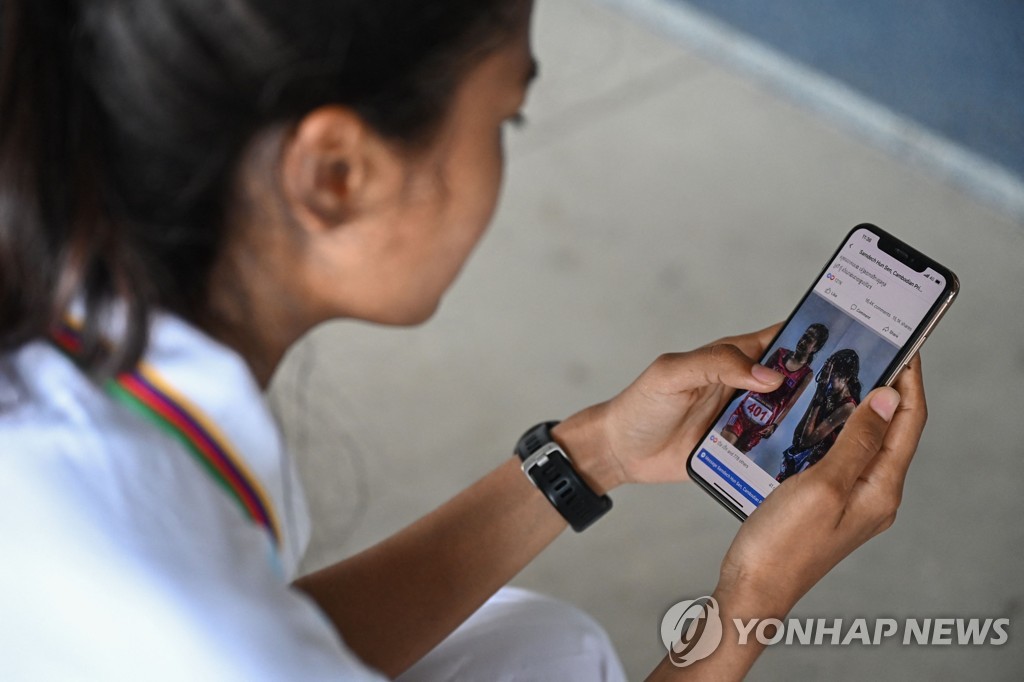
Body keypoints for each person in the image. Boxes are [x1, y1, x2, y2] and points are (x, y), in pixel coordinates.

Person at [0, 1, 927, 680]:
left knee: (541, 648)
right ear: (336, 174)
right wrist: (749, 603)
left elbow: (281, 630)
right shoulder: (209, 643)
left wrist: (592, 452)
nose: (503, 157)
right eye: (502, 118)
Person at [721, 323, 829, 453]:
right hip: (744, 411)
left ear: (815, 348)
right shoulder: (780, 353)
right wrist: (731, 396)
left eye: (809, 340)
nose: (803, 341)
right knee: (723, 447)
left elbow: (790, 404)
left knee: (736, 458)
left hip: (763, 424)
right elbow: (754, 379)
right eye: (804, 336)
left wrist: (775, 425)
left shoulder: (806, 374)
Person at [776, 349, 862, 483]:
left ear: (846, 378)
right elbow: (797, 437)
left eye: (831, 376)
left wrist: (820, 396)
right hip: (798, 465)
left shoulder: (848, 407)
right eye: (826, 376)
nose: (826, 382)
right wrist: (818, 394)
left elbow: (806, 441)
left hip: (812, 473)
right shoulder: (825, 395)